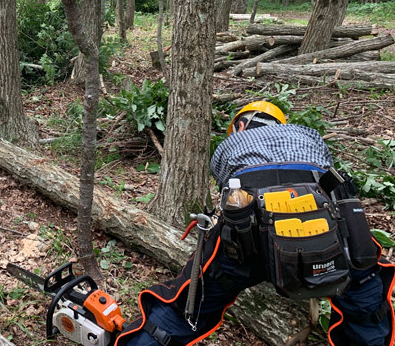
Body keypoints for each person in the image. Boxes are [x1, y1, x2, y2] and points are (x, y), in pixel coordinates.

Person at [115, 101, 394, 346]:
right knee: (365, 288)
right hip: (328, 232)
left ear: (241, 125)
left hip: (248, 238)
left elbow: (228, 188)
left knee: (189, 303)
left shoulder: (229, 145)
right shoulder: (310, 135)